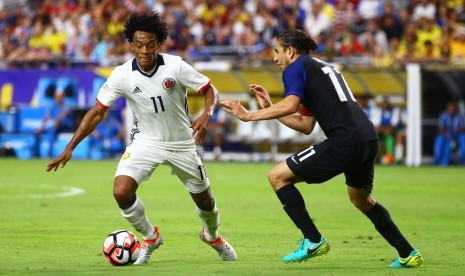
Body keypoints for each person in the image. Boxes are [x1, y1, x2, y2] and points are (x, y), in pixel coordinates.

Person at [45, 11, 237, 265]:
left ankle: (212, 236)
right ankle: (150, 237)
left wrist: (207, 114)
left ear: (158, 44)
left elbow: (209, 89)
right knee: (121, 191)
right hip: (146, 141)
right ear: (131, 45)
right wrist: (70, 147)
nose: (145, 50)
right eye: (139, 44)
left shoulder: (175, 66)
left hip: (181, 143)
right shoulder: (122, 75)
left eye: (150, 44)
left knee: (205, 199)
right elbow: (96, 112)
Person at [220, 29, 423, 268]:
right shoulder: (319, 68)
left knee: (277, 176)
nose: (275, 58)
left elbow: (291, 104)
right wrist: (271, 107)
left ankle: (313, 240)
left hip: (345, 141)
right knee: (361, 199)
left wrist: (249, 115)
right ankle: (408, 253)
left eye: (277, 52)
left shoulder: (295, 68)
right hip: (367, 139)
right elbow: (305, 125)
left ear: (290, 51)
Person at [36, 90, 73, 157]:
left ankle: (49, 153)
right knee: (38, 132)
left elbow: (63, 115)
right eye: (57, 97)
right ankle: (37, 153)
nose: (58, 99)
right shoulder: (52, 106)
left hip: (65, 126)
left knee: (53, 130)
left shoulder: (67, 105)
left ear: (63, 97)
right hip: (55, 126)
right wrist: (41, 127)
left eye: (60, 97)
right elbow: (46, 117)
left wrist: (57, 121)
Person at [434, 101, 465, 166]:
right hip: (447, 134)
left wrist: (456, 131)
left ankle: (462, 162)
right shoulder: (444, 116)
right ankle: (442, 162)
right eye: (450, 109)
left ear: (456, 109)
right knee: (440, 139)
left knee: (463, 138)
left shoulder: (460, 116)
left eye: (453, 108)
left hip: (458, 134)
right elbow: (441, 127)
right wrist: (446, 133)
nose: (451, 110)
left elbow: (462, 127)